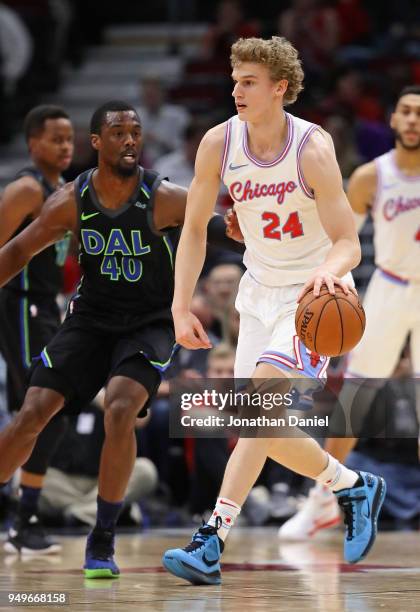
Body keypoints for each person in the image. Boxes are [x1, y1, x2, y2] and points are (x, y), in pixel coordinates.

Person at [162, 36, 386, 586]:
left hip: (310, 296)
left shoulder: (311, 147)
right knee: (255, 424)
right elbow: (193, 229)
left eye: (248, 82)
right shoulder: (218, 143)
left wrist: (329, 271)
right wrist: (178, 304)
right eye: (234, 80)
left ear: (280, 88)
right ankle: (351, 485)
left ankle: (212, 538)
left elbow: (348, 241)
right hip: (257, 287)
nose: (234, 90)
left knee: (258, 411)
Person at [0, 100, 242, 578]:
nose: (130, 140)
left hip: (148, 322)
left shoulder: (164, 196)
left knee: (119, 408)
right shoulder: (71, 199)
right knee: (31, 413)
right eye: (118, 133)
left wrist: (242, 228)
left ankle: (102, 536)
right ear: (97, 143)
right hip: (90, 319)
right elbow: (18, 251)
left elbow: (217, 229)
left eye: (136, 132)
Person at [279, 84, 420, 540]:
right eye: (406, 112)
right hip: (390, 286)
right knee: (355, 397)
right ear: (393, 121)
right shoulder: (370, 177)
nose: (414, 120)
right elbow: (338, 240)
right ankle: (323, 499)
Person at [0, 104, 74, 554]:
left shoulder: (63, 190)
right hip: (19, 305)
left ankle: (21, 515)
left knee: (38, 412)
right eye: (56, 139)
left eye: (69, 139)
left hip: (46, 306)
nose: (66, 147)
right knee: (44, 408)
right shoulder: (26, 189)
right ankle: (23, 517)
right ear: (33, 144)